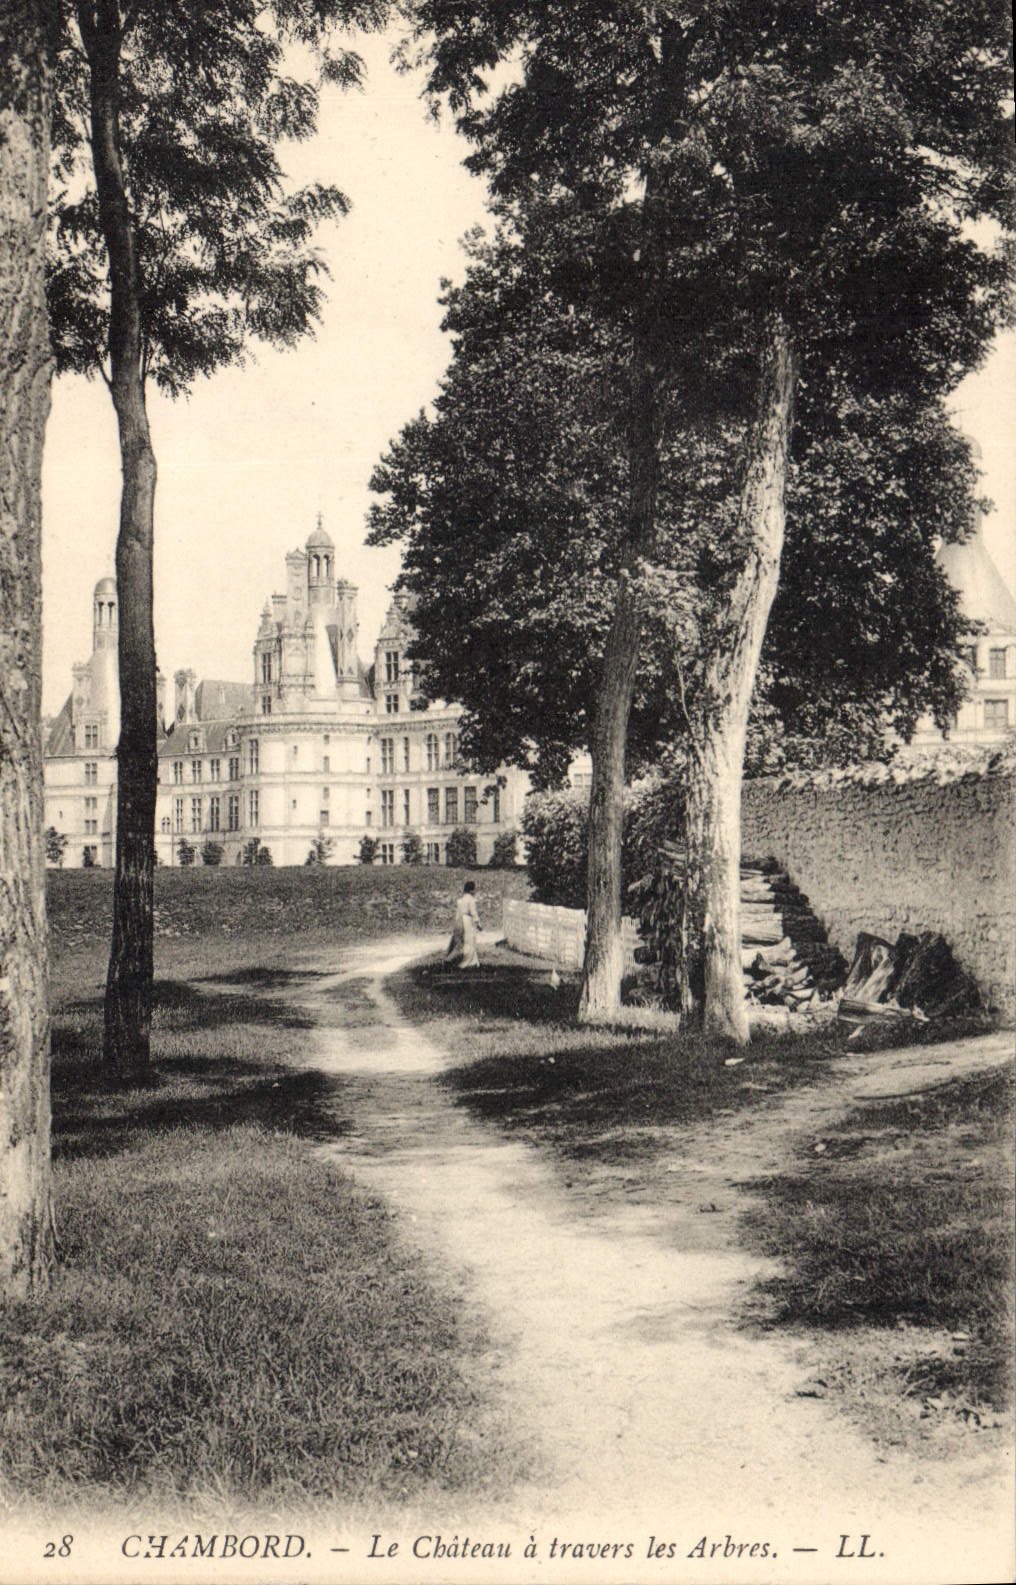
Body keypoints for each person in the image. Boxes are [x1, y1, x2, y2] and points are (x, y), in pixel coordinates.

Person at [445, 880, 481, 968]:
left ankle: (460, 960)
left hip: (461, 920)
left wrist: (457, 923)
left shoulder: (460, 900)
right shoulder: (471, 900)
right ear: (471, 890)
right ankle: (468, 962)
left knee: (462, 941)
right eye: (475, 889)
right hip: (468, 921)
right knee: (469, 941)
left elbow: (458, 913)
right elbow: (473, 912)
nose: (475, 891)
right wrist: (478, 923)